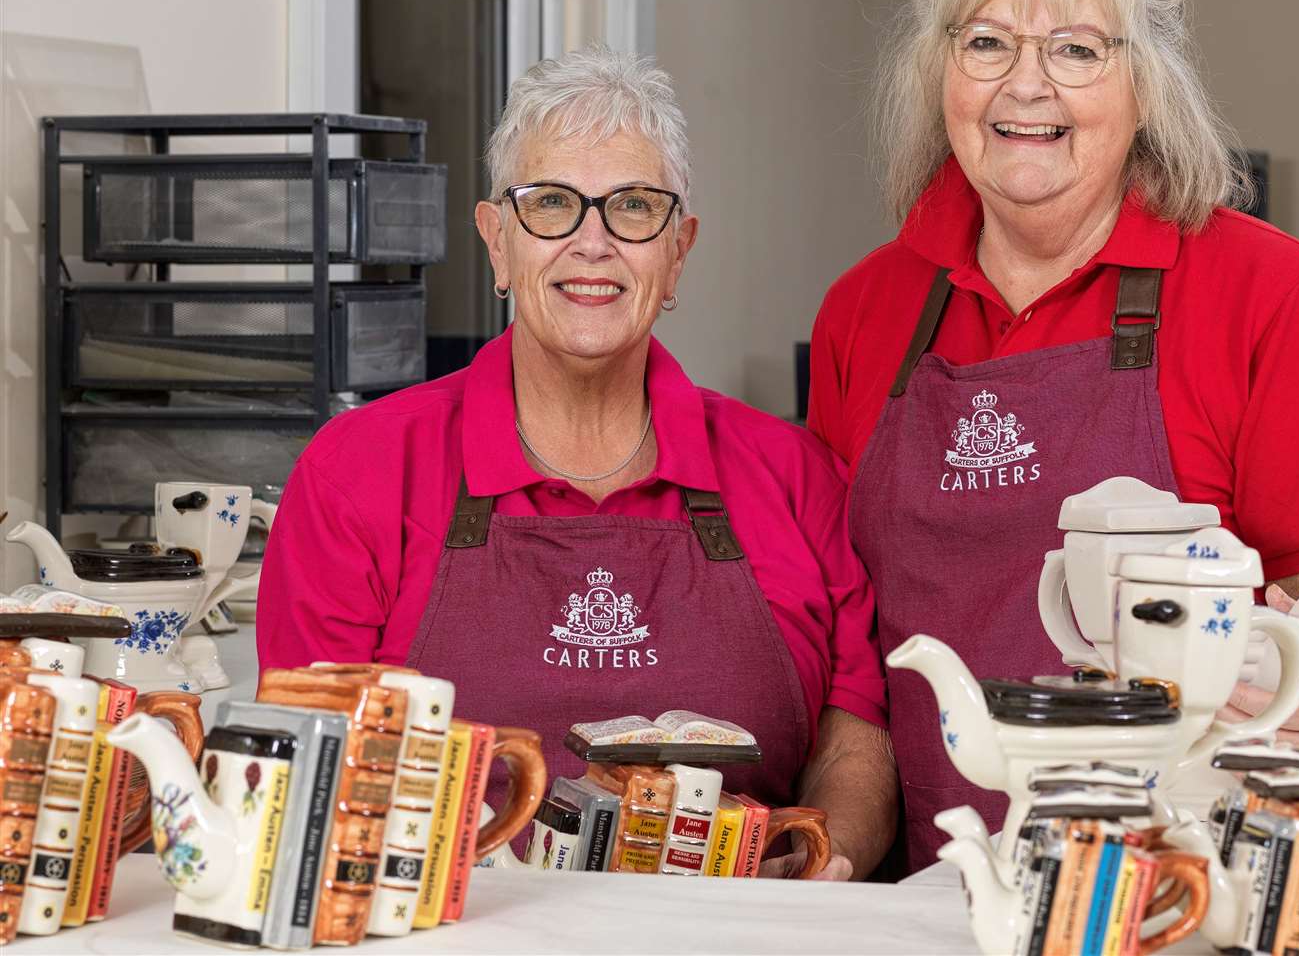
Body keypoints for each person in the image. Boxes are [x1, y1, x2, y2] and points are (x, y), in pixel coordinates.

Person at [808, 0, 1299, 872]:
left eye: (1076, 49)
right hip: (920, 897)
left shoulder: (1270, 295)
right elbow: (848, 670)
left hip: (1182, 895)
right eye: (986, 42)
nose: (1024, 86)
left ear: (1150, 81)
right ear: (940, 71)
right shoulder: (863, 310)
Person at [258, 46, 896, 880]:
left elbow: (856, 736)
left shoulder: (791, 476)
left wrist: (827, 865)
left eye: (633, 208)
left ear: (677, 251)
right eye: (551, 204)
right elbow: (312, 756)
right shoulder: (362, 470)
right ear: (497, 243)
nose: (592, 243)